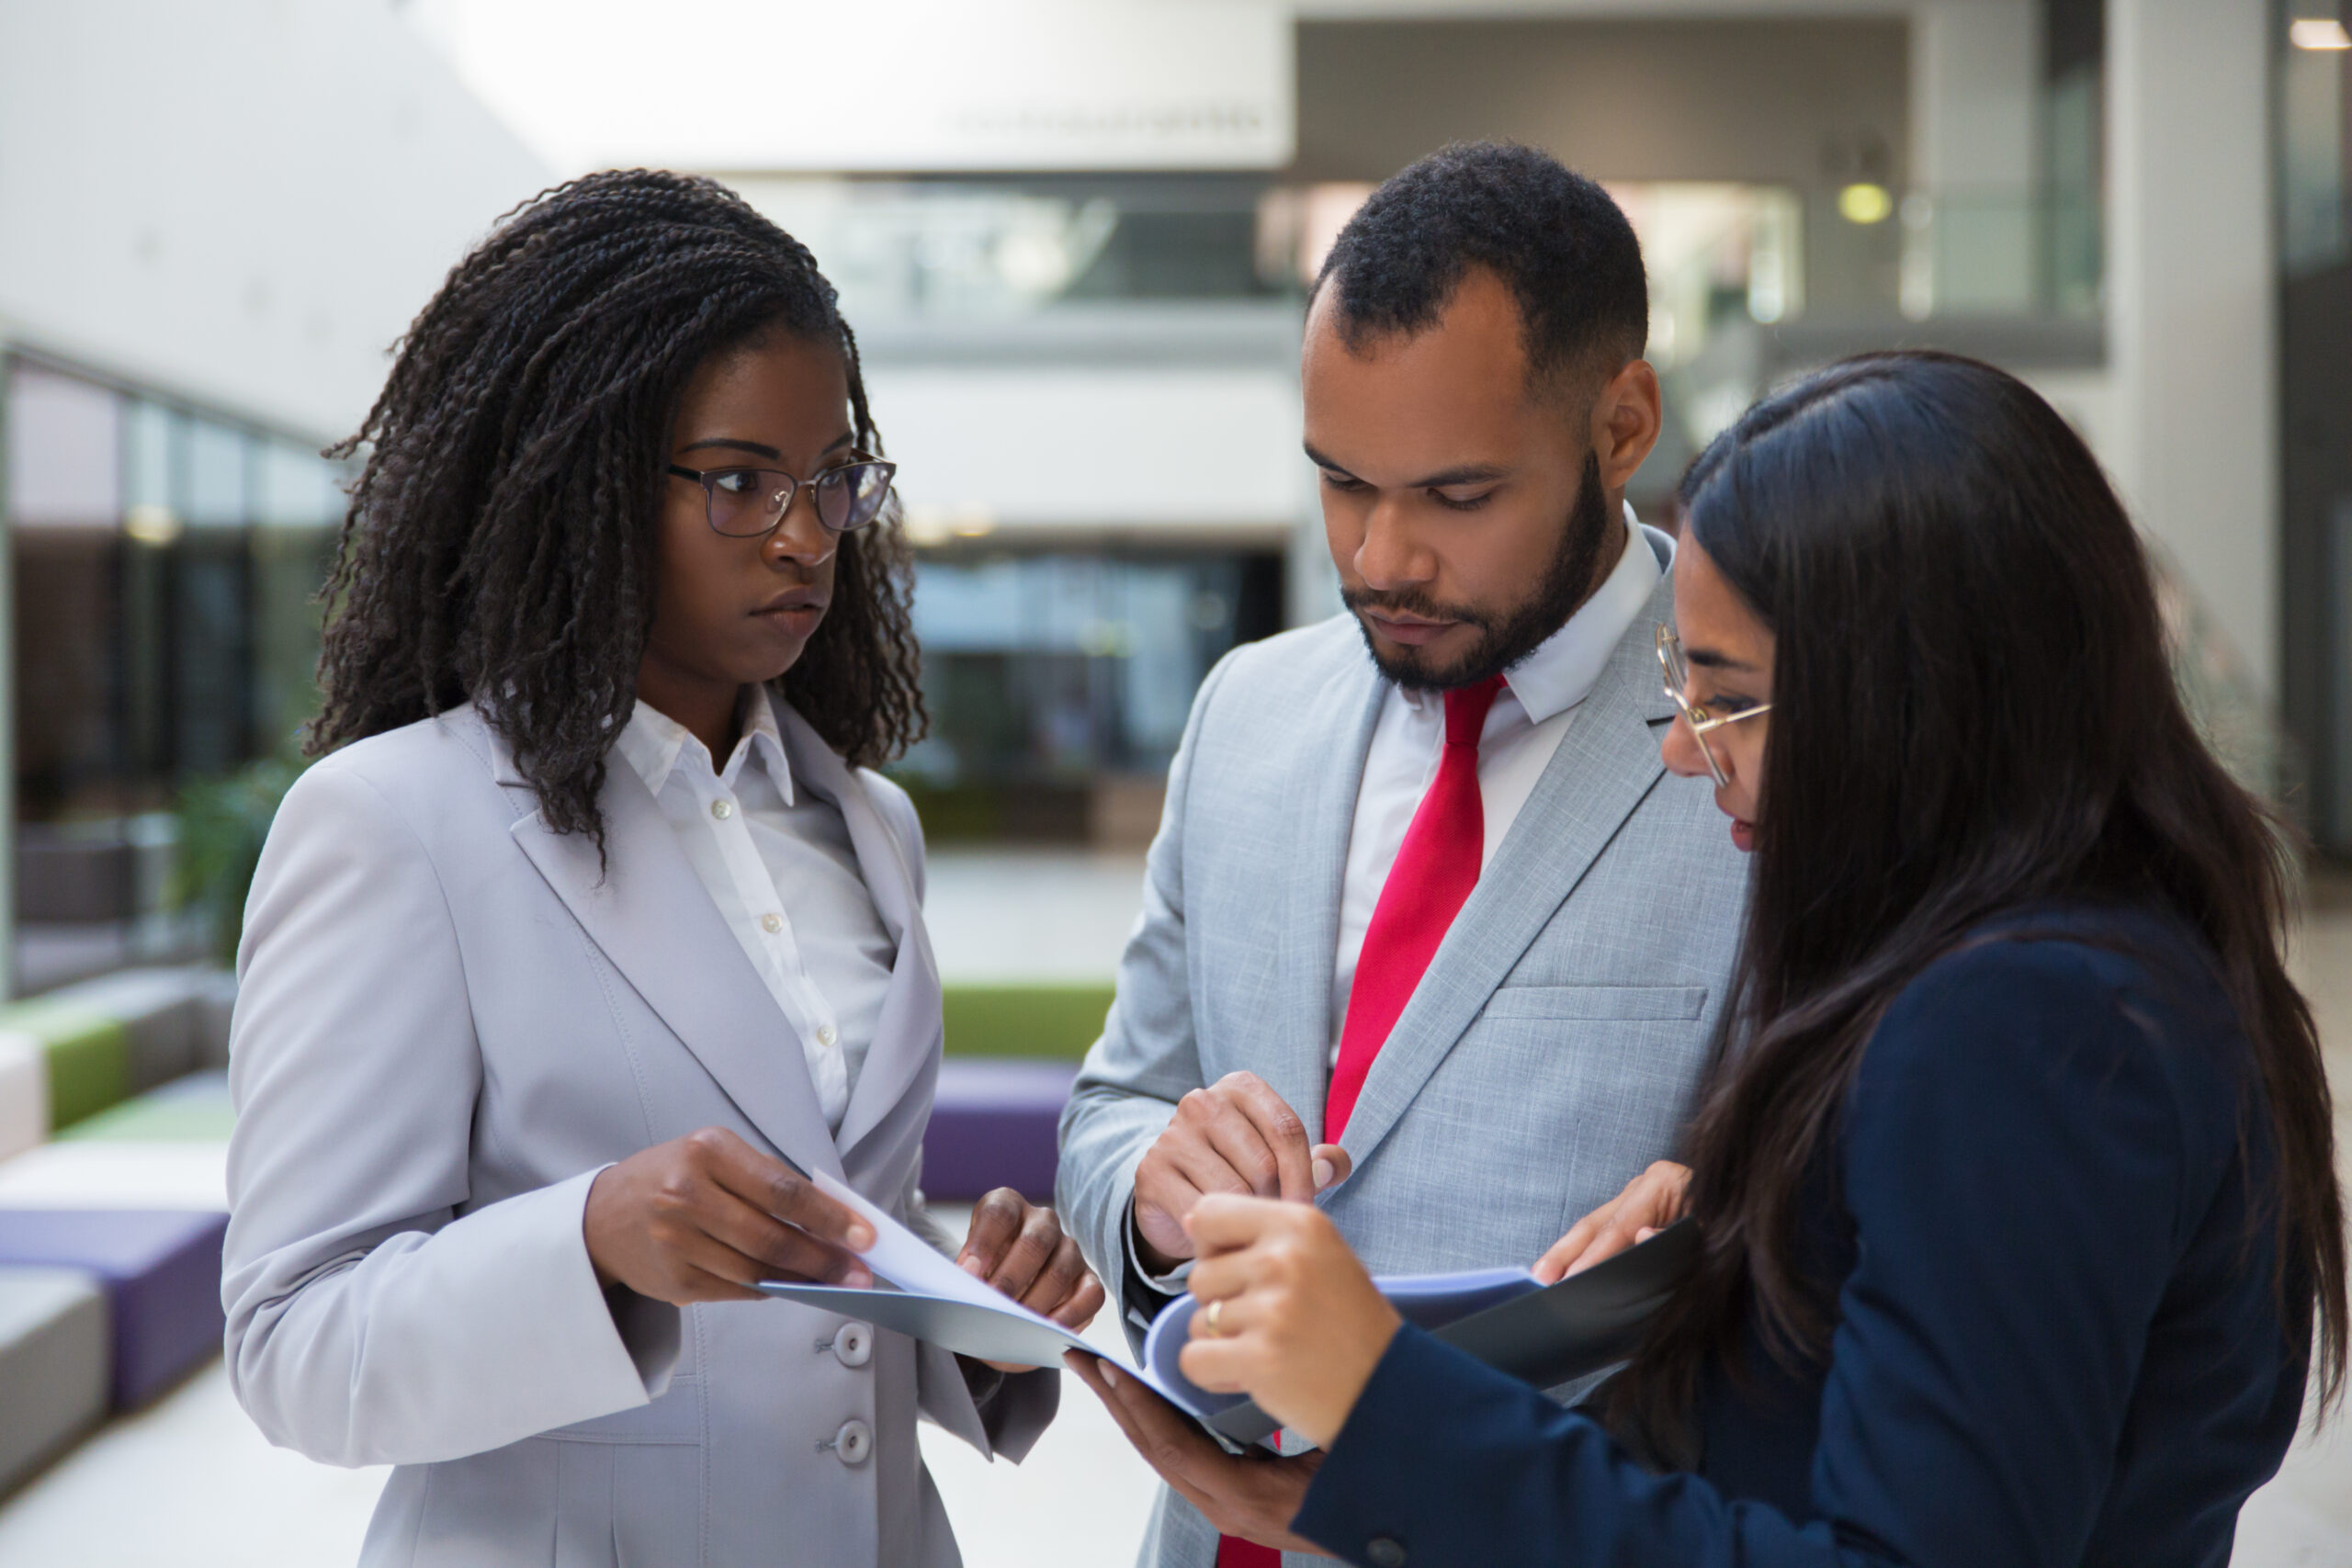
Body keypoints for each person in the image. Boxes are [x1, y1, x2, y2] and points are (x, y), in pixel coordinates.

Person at [1084, 351, 2351, 1568]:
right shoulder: (2074, 971)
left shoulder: (2022, 1028)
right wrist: (1749, 1229)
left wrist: (1384, 1399)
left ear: (1916, 701)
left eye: (1731, 697)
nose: (1686, 752)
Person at [221, 169, 1102, 1568]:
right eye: (740, 482)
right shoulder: (394, 824)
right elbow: (294, 1340)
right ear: (581, 485)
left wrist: (981, 1317)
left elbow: (840, 1245)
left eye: (830, 480)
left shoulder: (869, 824)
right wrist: (588, 1241)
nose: (807, 535)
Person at [1054, 141, 1750, 1566]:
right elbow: (1116, 1096)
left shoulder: (1765, 733)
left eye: (1455, 495)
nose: (1381, 559)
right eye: (1339, 482)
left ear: (1623, 427)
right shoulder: (1247, 712)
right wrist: (1149, 1190)